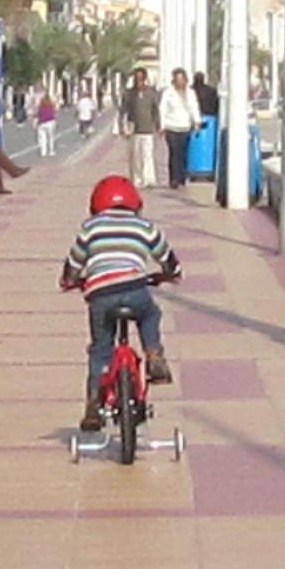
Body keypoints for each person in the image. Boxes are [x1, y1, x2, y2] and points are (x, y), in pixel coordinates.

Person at [59, 173, 180, 430]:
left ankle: (93, 404)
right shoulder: (144, 226)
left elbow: (74, 262)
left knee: (101, 348)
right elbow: (167, 257)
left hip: (100, 295)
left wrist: (69, 280)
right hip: (135, 288)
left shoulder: (90, 227)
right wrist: (171, 274)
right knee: (150, 315)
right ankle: (154, 354)